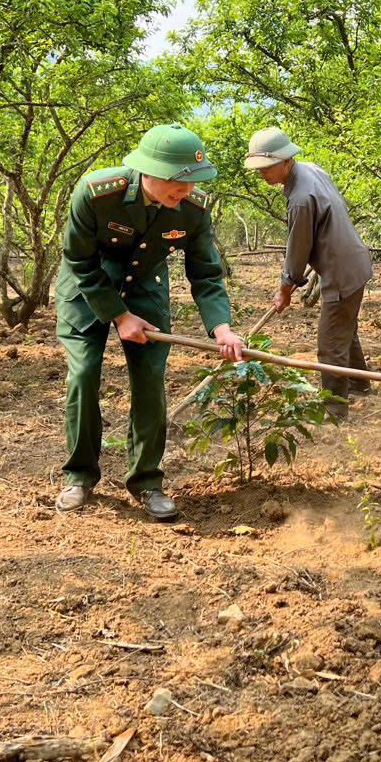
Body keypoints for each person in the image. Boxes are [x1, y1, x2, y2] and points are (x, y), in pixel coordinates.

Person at [54, 123, 245, 520]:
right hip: (88, 287)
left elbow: (206, 275)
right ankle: (79, 476)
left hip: (145, 285)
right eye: (178, 181)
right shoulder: (96, 192)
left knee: (150, 381)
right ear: (149, 172)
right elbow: (79, 260)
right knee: (83, 374)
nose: (186, 190)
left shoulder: (194, 209)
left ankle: (147, 482)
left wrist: (222, 328)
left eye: (193, 181)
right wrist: (120, 315)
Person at [244, 127, 374, 419]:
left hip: (342, 271)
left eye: (267, 167)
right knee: (344, 328)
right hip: (352, 261)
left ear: (286, 160)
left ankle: (334, 409)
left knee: (330, 344)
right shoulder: (311, 169)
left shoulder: (301, 198)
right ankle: (360, 382)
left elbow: (297, 250)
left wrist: (285, 288)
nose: (262, 173)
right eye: (258, 168)